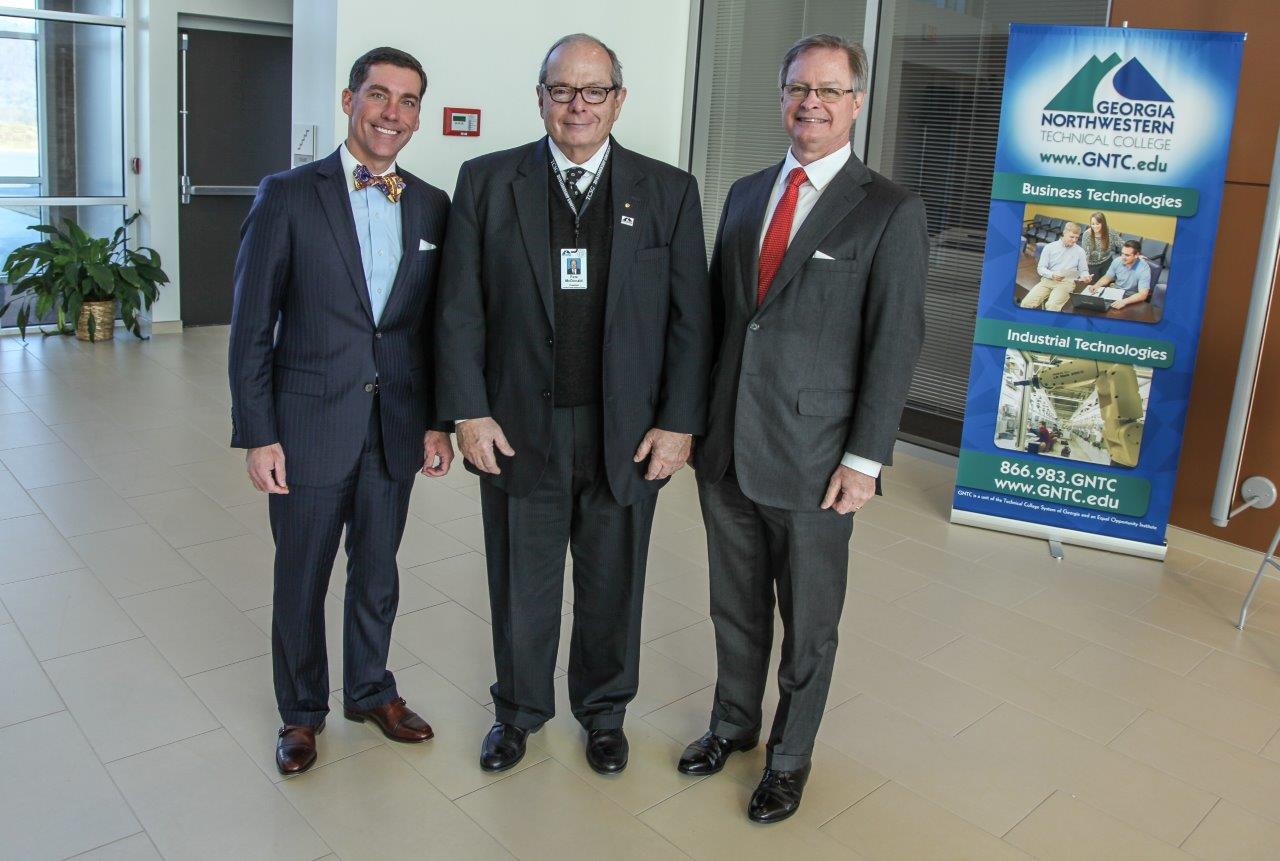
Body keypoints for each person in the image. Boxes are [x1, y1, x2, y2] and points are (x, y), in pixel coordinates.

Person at [435, 34, 710, 776]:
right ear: (540, 97)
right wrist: (468, 410)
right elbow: (459, 309)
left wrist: (680, 420)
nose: (577, 106)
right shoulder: (488, 183)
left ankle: (605, 712)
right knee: (520, 581)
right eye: (562, 90)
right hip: (518, 425)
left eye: (593, 91)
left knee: (613, 582)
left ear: (619, 99)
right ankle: (519, 712)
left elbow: (692, 320)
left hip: (628, 431)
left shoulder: (669, 191)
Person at [679, 34, 927, 823]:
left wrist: (865, 459)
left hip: (818, 460)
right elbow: (724, 324)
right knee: (734, 606)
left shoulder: (889, 209)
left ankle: (789, 759)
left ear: (856, 102)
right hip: (728, 449)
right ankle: (732, 724)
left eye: (827, 90)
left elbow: (894, 344)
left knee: (810, 623)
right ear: (781, 96)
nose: (809, 103)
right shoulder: (748, 191)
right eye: (797, 88)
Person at [228, 47, 453, 775]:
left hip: (394, 427)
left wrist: (436, 420)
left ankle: (370, 688)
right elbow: (251, 325)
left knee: (378, 570)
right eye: (380, 95)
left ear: (419, 113)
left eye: (409, 100)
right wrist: (258, 432)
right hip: (307, 426)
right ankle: (300, 711)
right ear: (349, 99)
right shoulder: (288, 194)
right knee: (302, 574)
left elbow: (430, 328)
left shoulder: (430, 204)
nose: (393, 112)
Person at [1019, 222, 1091, 311]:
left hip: (1066, 282)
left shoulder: (1080, 251)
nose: (1074, 240)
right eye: (1071, 237)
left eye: (1077, 238)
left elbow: (1083, 270)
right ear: (1064, 233)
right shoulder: (1049, 247)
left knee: (1052, 307)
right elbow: (1041, 268)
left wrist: (1085, 276)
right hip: (1048, 280)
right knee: (1026, 303)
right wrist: (1052, 275)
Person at [1095, 239, 1153, 311]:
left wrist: (1124, 301)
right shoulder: (1117, 261)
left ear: (1136, 255)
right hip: (1115, 293)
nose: (1123, 257)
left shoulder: (1144, 269)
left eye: (1127, 255)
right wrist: (1097, 285)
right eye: (1122, 253)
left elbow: (1143, 294)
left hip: (1130, 298)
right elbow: (1107, 277)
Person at [1081, 211, 1122, 283]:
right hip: (1092, 265)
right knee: (1092, 286)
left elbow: (1120, 243)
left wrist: (1135, 254)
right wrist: (1085, 271)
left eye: (1097, 224)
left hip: (1107, 262)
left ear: (1103, 223)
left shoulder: (1110, 232)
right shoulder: (1087, 235)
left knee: (1107, 283)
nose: (1095, 226)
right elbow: (1086, 255)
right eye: (1092, 224)